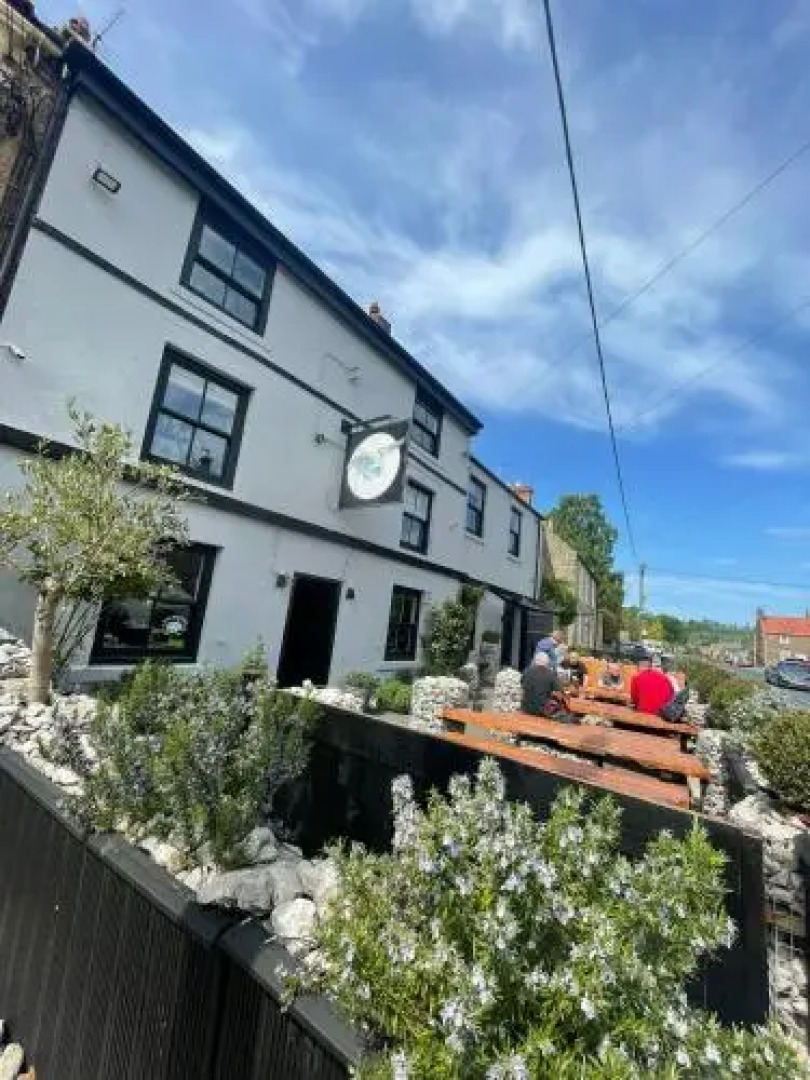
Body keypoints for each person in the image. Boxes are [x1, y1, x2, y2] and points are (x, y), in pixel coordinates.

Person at [521, 652, 562, 716]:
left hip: (525, 709)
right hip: (541, 711)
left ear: (535, 661)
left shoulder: (526, 671)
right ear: (547, 662)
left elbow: (522, 686)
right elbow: (559, 692)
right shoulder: (551, 674)